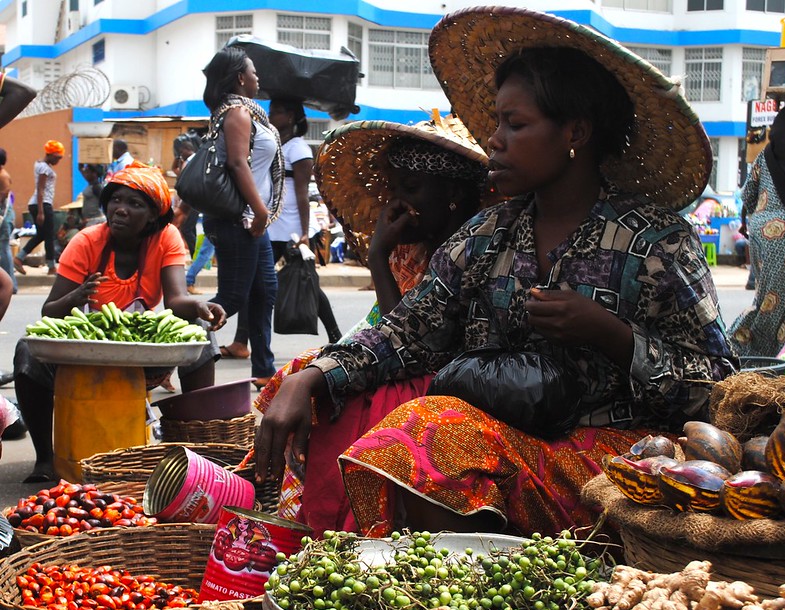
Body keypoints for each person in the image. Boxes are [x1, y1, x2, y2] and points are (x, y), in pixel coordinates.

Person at [254, 7, 736, 539]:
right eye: (498, 122)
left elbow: (717, 386)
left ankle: (471, 597)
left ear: (575, 130)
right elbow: (407, 332)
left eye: (516, 124)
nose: (495, 141)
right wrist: (314, 376)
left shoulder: (655, 241)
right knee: (309, 383)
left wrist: (613, 335)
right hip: (505, 437)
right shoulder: (489, 234)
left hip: (625, 467)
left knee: (430, 433)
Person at [252, 113, 490, 530]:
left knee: (365, 401)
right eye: (394, 191)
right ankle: (291, 510)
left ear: (452, 192)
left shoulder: (476, 248)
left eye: (412, 189)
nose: (400, 204)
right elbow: (386, 329)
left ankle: (354, 521)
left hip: (448, 377)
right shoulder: (410, 248)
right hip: (394, 354)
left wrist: (378, 256)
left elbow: (409, 340)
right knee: (306, 370)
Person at [13, 163, 226, 483]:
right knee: (26, 353)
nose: (121, 210)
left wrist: (199, 305)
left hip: (142, 351)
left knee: (202, 335)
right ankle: (45, 458)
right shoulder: (86, 242)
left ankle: (196, 449)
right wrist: (77, 297)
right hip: (88, 348)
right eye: (115, 201)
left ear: (153, 215)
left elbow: (176, 301)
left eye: (134, 204)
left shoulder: (166, 238)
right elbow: (50, 312)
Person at [220, 97, 341, 363]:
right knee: (255, 285)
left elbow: (301, 194)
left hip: (288, 228)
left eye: (278, 111)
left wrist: (305, 233)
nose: (272, 115)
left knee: (302, 281)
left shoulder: (299, 149)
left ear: (292, 117)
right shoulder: (271, 140)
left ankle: (336, 336)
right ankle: (242, 342)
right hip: (268, 223)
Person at [200, 46, 284, 387]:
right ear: (239, 78)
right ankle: (176, 346)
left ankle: (263, 370)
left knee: (265, 290)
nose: (257, 77)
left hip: (251, 220)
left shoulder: (246, 112)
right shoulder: (236, 112)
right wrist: (261, 211)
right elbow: (237, 163)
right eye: (252, 71)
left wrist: (260, 215)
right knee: (231, 298)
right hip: (241, 219)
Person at [729, 101, 785, 357]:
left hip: (763, 235)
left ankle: (747, 357)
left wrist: (750, 225)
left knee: (767, 301)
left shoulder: (767, 155)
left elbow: (747, 194)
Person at [14, 140, 64, 276]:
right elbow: (40, 189)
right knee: (49, 235)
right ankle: (51, 266)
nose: (58, 161)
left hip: (38, 203)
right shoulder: (44, 168)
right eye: (58, 157)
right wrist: (41, 212)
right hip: (42, 204)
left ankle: (19, 258)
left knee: (42, 234)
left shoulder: (40, 165)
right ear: (51, 154)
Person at [0, 148, 16, 294]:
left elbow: (3, 194)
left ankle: (11, 285)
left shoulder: (3, 175)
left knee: (4, 249)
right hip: (3, 216)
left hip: (4, 217)